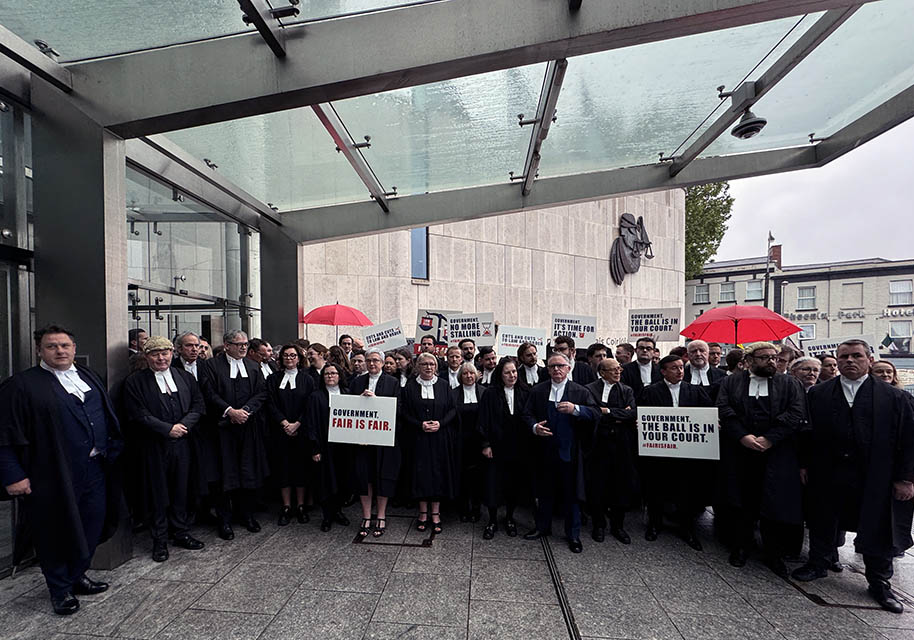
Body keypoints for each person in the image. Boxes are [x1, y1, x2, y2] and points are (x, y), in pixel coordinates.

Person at [0, 325, 123, 615]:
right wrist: (13, 474)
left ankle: (77, 575)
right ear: (39, 350)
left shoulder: (88, 376)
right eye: (52, 346)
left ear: (74, 347)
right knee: (54, 532)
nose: (60, 351)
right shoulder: (20, 385)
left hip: (95, 469)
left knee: (92, 525)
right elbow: (3, 435)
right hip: (51, 474)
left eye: (65, 345)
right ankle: (60, 588)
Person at [792, 340, 914, 613]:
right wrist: (804, 464)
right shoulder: (818, 394)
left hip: (876, 475)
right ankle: (818, 562)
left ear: (869, 360)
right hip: (828, 471)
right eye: (843, 356)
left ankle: (879, 581)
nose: (849, 361)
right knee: (823, 517)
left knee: (878, 526)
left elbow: (908, 439)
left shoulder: (894, 397)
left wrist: (906, 478)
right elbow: (806, 434)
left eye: (856, 356)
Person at [716, 342, 806, 577]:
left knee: (774, 503)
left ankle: (773, 554)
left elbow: (795, 413)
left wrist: (770, 439)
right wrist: (742, 436)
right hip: (741, 451)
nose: (771, 361)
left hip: (776, 452)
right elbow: (724, 410)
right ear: (750, 360)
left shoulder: (789, 383)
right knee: (742, 501)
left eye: (774, 357)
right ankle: (741, 547)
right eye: (765, 357)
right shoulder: (731, 381)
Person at [123, 336, 206, 562]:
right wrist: (166, 429)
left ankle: (180, 532)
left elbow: (198, 405)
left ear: (172, 353)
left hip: (183, 443)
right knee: (157, 492)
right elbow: (137, 413)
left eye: (165, 353)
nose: (161, 358)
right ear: (147, 357)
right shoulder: (135, 381)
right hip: (153, 446)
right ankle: (159, 539)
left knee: (181, 488)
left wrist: (183, 427)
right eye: (155, 354)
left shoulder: (185, 377)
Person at [521, 352, 598, 553]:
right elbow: (527, 414)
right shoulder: (538, 390)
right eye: (552, 366)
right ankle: (542, 527)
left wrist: (576, 409)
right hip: (544, 452)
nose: (556, 369)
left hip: (569, 452)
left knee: (571, 495)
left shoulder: (580, 392)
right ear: (547, 370)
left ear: (568, 368)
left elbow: (595, 414)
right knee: (544, 492)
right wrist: (534, 427)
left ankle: (573, 535)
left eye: (560, 366)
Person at [199, 330, 270, 540]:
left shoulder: (252, 366)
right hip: (222, 430)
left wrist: (246, 410)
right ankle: (224, 520)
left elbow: (262, 392)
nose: (243, 347)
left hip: (247, 428)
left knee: (247, 472)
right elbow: (209, 393)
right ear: (226, 345)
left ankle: (246, 515)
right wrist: (230, 411)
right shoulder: (211, 366)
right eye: (238, 344)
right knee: (224, 475)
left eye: (245, 344)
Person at [639, 355, 713, 550]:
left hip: (687, 454)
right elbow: (642, 414)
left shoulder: (695, 391)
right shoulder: (650, 391)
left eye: (681, 367)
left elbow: (708, 414)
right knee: (656, 488)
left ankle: (686, 527)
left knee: (686, 490)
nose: (680, 371)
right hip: (659, 453)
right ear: (663, 371)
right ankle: (654, 524)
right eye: (674, 368)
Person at [401, 352, 459, 534]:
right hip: (418, 438)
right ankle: (423, 513)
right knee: (421, 474)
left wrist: (441, 423)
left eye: (431, 364)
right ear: (418, 366)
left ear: (436, 366)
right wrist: (420, 425)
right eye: (424, 364)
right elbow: (404, 412)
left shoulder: (443, 385)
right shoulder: (410, 387)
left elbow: (452, 409)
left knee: (438, 473)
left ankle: (436, 513)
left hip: (440, 438)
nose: (428, 367)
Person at [348, 348, 401, 538]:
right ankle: (366, 516)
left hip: (383, 440)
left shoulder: (393, 382)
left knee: (382, 476)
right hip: (362, 441)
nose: (372, 364)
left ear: (382, 363)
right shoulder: (357, 382)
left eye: (376, 361)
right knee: (364, 477)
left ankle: (381, 515)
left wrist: (377, 402)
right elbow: (349, 409)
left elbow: (397, 409)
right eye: (369, 360)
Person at [584, 358, 638, 544]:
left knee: (621, 485)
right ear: (602, 372)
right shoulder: (590, 389)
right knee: (598, 485)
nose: (618, 372)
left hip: (622, 445)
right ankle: (599, 524)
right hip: (598, 444)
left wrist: (608, 412)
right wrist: (618, 413)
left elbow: (632, 414)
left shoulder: (627, 390)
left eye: (619, 369)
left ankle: (618, 526)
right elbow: (593, 413)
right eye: (613, 370)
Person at [478, 358, 529, 539]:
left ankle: (509, 518)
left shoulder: (524, 391)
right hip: (496, 447)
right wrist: (486, 444)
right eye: (507, 372)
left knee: (513, 485)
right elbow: (483, 420)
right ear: (500, 375)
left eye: (514, 371)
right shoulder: (490, 393)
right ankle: (492, 520)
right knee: (493, 484)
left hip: (517, 447)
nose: (512, 375)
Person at [265, 344, 315, 526]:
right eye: (286, 355)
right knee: (283, 468)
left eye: (293, 355)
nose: (289, 359)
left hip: (301, 432)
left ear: (299, 358)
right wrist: (284, 423)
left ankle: (300, 506)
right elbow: (270, 402)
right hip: (280, 431)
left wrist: (297, 424)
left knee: (300, 468)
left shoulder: (307, 379)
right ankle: (286, 506)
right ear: (281, 359)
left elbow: (310, 404)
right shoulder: (273, 378)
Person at [871, 360, 914, 558]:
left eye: (889, 371)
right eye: (880, 371)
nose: (885, 375)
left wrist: (906, 477)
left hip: (897, 466)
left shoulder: (904, 398)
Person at [306, 363, 352, 532]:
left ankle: (338, 511)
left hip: (344, 446)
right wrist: (315, 448)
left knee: (342, 479)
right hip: (324, 446)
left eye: (333, 373)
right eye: (327, 374)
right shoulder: (315, 396)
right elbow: (310, 424)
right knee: (326, 481)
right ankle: (327, 516)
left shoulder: (348, 394)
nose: (330, 376)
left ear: (340, 375)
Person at [451, 362, 484, 523]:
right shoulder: (453, 394)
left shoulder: (484, 393)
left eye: (471, 373)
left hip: (479, 441)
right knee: (462, 476)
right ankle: (463, 507)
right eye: (465, 374)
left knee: (478, 477)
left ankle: (476, 507)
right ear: (460, 376)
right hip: (460, 441)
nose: (469, 376)